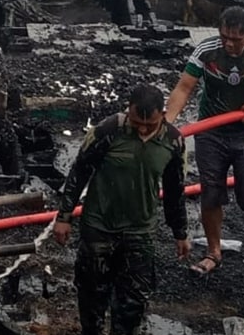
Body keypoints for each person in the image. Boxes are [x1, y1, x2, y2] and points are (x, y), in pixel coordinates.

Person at [53, 84, 190, 335]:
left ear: (163, 114)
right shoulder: (108, 130)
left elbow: (175, 190)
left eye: (150, 124)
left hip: (140, 231)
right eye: (137, 122)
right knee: (92, 295)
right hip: (99, 226)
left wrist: (180, 232)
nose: (142, 129)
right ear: (128, 111)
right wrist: (64, 217)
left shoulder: (173, 141)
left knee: (132, 303)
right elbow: (80, 170)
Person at [164, 6, 244, 274]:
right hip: (211, 131)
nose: (228, 44)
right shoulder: (207, 50)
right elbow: (184, 87)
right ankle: (214, 252)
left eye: (235, 39)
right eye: (224, 37)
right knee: (211, 192)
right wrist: (166, 125)